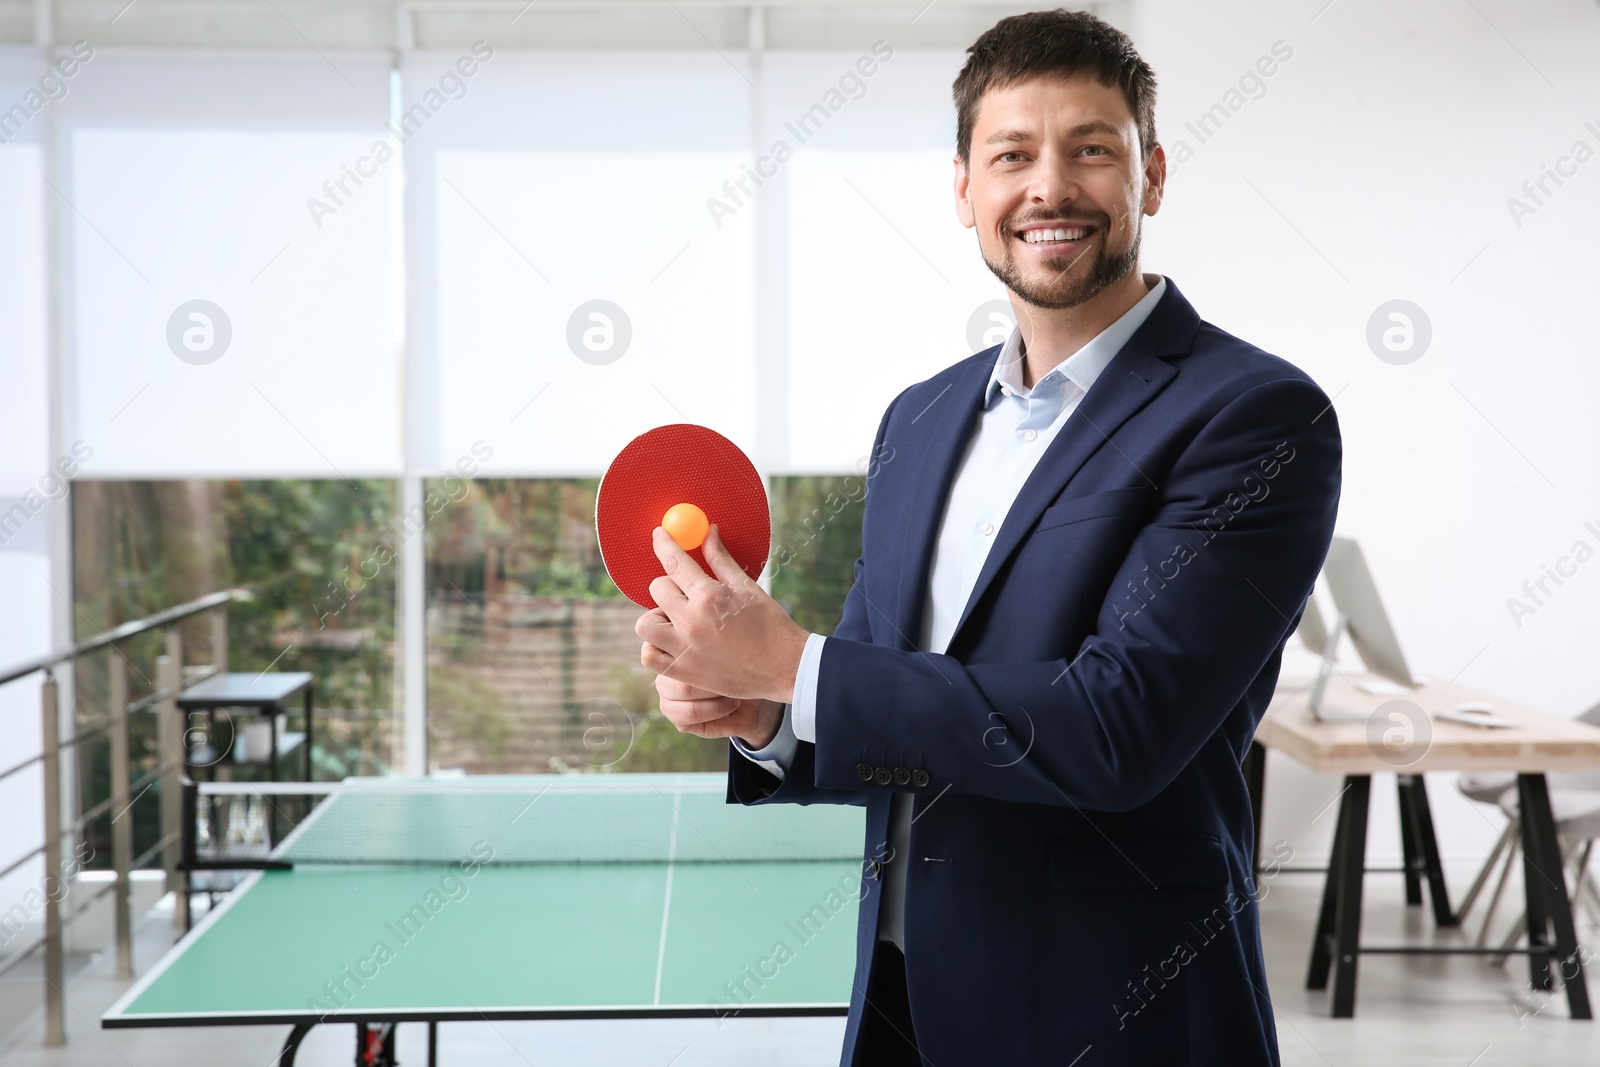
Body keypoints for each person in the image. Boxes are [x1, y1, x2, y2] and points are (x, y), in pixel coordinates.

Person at [634, 8, 1340, 1064]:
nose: (1048, 187)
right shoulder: (917, 419)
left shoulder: (1257, 416)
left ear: (1149, 175)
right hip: (901, 1008)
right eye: (1011, 154)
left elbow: (1117, 729)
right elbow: (886, 707)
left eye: (1089, 150)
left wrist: (796, 661)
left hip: (1117, 1018)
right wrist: (766, 710)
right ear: (964, 189)